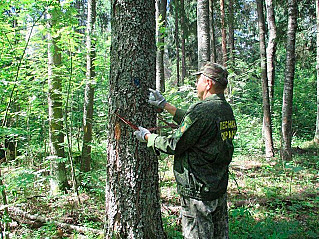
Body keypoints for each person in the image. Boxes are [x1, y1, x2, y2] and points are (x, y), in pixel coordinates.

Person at [134, 62, 237, 239]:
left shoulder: (203, 110)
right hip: (217, 187)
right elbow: (196, 125)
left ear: (208, 83)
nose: (196, 84)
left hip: (198, 193)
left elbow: (174, 144)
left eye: (198, 80)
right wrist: (165, 105)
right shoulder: (224, 109)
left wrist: (148, 138)